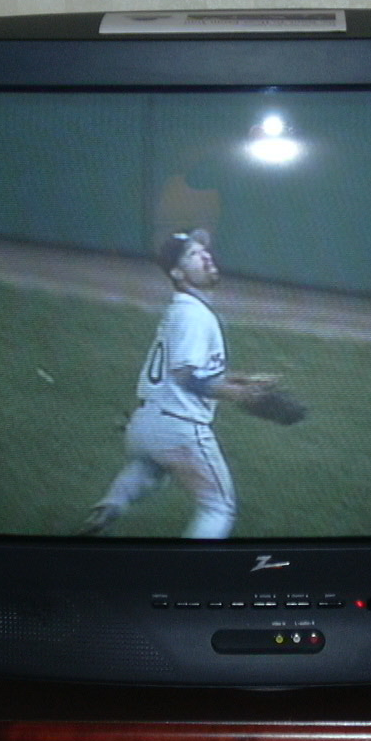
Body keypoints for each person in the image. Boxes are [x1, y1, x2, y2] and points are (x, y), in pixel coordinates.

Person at [79, 229, 275, 538]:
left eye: (205, 252)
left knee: (152, 467)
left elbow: (191, 371)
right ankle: (191, 572)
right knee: (218, 506)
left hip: (145, 426)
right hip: (179, 430)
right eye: (194, 255)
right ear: (178, 273)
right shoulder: (194, 316)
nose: (206, 256)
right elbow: (186, 376)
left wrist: (241, 380)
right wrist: (237, 393)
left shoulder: (184, 310)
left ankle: (111, 506)